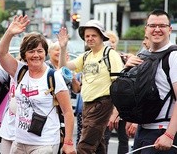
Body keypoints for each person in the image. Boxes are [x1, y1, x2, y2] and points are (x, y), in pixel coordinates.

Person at [0, 15, 76, 154]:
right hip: (20, 142)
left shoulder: (53, 77)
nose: (36, 55)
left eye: (40, 51)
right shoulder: (20, 71)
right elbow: (2, 53)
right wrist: (9, 33)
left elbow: (68, 111)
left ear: (45, 53)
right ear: (24, 54)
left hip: (44, 143)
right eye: (31, 51)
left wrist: (68, 142)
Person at [58, 20, 124, 154]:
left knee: (85, 146)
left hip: (102, 104)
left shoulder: (110, 54)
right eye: (87, 36)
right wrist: (63, 47)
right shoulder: (86, 56)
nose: (90, 38)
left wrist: (116, 112)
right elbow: (63, 67)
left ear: (101, 37)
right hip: (87, 105)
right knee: (98, 146)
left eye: (93, 35)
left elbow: (119, 85)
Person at [124, 9, 177, 153]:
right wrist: (127, 70)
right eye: (153, 26)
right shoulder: (143, 56)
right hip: (143, 130)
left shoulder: (173, 56)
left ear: (170, 29)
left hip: (162, 131)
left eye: (162, 26)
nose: (157, 30)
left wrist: (169, 134)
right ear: (146, 29)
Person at [104, 31, 129, 154]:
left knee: (123, 138)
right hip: (106, 103)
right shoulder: (102, 60)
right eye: (108, 41)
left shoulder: (124, 59)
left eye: (113, 41)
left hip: (123, 105)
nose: (111, 44)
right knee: (105, 138)